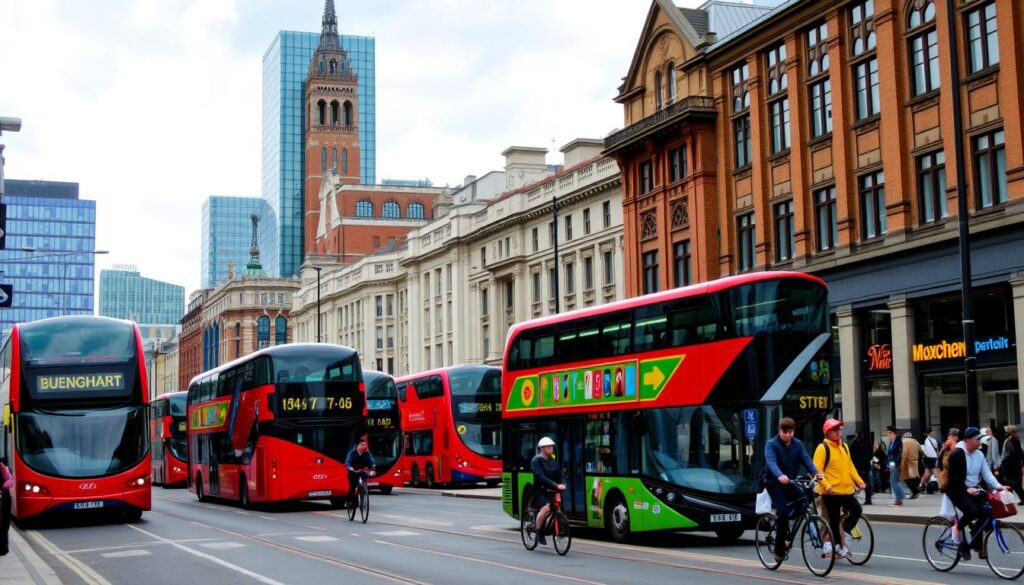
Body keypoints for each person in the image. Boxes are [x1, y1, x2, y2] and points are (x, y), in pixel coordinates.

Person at [944, 426, 1008, 561]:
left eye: (980, 439)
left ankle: (975, 540)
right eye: (977, 439)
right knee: (972, 511)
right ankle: (958, 527)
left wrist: (999, 486)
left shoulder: (979, 454)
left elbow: (986, 473)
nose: (980, 442)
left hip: (974, 489)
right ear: (967, 440)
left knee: (988, 511)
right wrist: (966, 489)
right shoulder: (957, 454)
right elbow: (953, 478)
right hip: (957, 490)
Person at [765, 417, 822, 563]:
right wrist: (779, 475)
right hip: (775, 483)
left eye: (791, 432)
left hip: (790, 482)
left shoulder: (798, 444)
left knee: (805, 499)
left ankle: (788, 524)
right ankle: (778, 550)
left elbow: (806, 459)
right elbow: (771, 463)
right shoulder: (771, 444)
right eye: (785, 432)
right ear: (779, 430)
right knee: (782, 513)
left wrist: (815, 473)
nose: (788, 435)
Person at [813, 420, 866, 559]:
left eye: (839, 429)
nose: (838, 432)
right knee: (834, 519)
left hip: (846, 490)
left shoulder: (845, 447)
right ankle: (837, 546)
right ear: (827, 433)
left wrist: (859, 481)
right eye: (834, 429)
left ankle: (845, 535)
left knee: (857, 510)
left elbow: (850, 467)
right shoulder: (822, 448)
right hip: (830, 492)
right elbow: (817, 470)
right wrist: (826, 485)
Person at [529, 436, 566, 546]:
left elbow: (559, 474)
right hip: (540, 490)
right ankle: (538, 531)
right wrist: (555, 484)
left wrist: (563, 483)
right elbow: (540, 477)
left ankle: (557, 527)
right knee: (545, 509)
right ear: (542, 448)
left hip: (552, 490)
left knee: (557, 507)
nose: (551, 448)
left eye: (551, 446)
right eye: (548, 447)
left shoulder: (553, 460)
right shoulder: (536, 460)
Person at [344, 438, 376, 508]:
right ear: (357, 445)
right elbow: (347, 462)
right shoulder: (352, 452)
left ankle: (363, 497)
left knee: (363, 486)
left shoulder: (367, 453)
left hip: (362, 472)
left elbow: (371, 461)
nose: (363, 446)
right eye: (361, 445)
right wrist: (351, 468)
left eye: (364, 445)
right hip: (353, 472)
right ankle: (350, 501)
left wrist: (372, 468)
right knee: (353, 487)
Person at [998, 425, 1024, 501]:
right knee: (1015, 484)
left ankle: (1009, 501)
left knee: (1012, 484)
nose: (1005, 432)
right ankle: (1011, 500)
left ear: (1009, 432)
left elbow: (1011, 455)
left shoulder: (1010, 441)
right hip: (1015, 466)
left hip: (1011, 467)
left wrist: (1006, 466)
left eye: (1006, 431)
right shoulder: (1015, 439)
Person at [850, 430, 873, 505]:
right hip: (865, 466)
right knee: (866, 482)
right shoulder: (867, 443)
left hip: (859, 466)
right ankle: (868, 499)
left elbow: (852, 454)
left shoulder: (855, 442)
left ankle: (854, 498)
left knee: (856, 482)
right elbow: (870, 454)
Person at [886, 426, 906, 505]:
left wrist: (897, 463)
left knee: (893, 481)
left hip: (896, 464)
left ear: (893, 433)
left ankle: (899, 498)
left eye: (888, 433)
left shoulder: (898, 441)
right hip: (892, 464)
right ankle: (900, 497)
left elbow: (899, 454)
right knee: (894, 481)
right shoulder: (892, 441)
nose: (887, 435)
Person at [901, 432, 922, 499]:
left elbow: (904, 452)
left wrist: (902, 462)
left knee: (906, 477)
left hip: (908, 461)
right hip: (915, 461)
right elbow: (921, 450)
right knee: (915, 476)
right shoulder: (915, 441)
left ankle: (915, 491)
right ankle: (914, 492)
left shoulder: (904, 441)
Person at [0, 460, 12, 556]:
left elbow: (10, 480)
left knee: (3, 523)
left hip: (3, 498)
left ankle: (3, 548)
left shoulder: (1, 466)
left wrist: (2, 487)